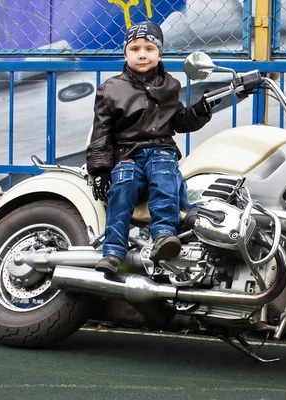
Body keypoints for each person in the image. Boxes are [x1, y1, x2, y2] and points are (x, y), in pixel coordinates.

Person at [86, 21, 216, 273]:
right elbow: (102, 132)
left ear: (159, 53)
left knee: (165, 180)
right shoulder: (110, 89)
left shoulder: (170, 85)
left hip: (161, 149)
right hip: (127, 152)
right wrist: (100, 170)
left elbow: (177, 121)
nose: (142, 54)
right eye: (135, 48)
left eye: (149, 48)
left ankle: (164, 236)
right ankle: (112, 251)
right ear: (125, 53)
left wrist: (199, 112)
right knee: (121, 190)